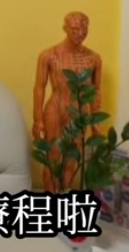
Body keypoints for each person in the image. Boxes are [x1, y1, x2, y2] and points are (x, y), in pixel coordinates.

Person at [32, 11, 103, 193]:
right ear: (65, 29)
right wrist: (37, 119)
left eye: (84, 29)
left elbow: (96, 90)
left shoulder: (94, 59)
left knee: (72, 158)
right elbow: (39, 87)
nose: (80, 33)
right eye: (75, 29)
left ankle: (64, 195)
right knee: (53, 157)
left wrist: (95, 121)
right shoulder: (48, 55)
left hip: (79, 112)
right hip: (55, 108)